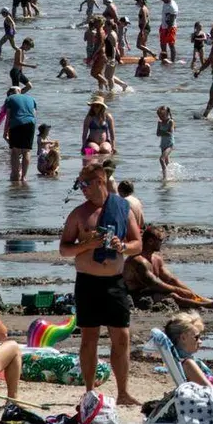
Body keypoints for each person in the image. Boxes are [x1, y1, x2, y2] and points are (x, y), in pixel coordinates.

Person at [59, 162, 143, 406]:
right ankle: (89, 390)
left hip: (114, 282)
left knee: (121, 337)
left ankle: (124, 392)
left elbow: (137, 243)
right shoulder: (79, 214)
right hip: (87, 282)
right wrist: (86, 245)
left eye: (85, 184)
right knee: (89, 338)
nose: (82, 189)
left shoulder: (121, 209)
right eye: (79, 185)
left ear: (100, 181)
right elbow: (64, 249)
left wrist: (123, 246)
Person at [122, 226, 213, 309]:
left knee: (182, 292)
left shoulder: (157, 259)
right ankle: (206, 305)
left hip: (151, 291)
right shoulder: (138, 260)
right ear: (150, 241)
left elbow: (171, 280)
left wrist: (190, 292)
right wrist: (180, 291)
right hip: (136, 295)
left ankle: (208, 301)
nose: (162, 243)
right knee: (173, 296)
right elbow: (154, 284)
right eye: (160, 240)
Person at [2, 85, 37, 183]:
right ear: (20, 91)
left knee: (15, 151)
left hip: (16, 123)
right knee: (26, 151)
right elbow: (34, 115)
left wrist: (5, 132)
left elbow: (8, 117)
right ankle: (24, 177)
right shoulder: (31, 98)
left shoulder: (10, 98)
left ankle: (15, 175)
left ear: (10, 93)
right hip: (30, 124)